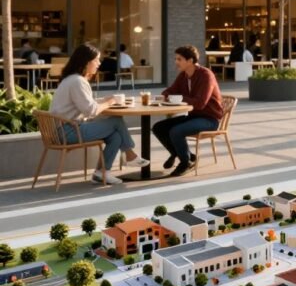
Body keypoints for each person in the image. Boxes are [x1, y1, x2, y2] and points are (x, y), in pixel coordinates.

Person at [49, 44, 150, 184]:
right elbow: (90, 111)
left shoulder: (72, 79)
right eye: (96, 60)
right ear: (86, 62)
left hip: (64, 129)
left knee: (115, 136)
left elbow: (85, 103)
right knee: (116, 121)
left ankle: (101, 173)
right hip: (68, 131)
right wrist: (110, 102)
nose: (99, 63)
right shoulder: (78, 81)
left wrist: (105, 100)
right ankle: (130, 154)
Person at [153, 45, 225, 177]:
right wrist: (165, 95)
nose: (176, 62)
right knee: (158, 127)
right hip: (193, 116)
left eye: (179, 59)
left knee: (176, 131)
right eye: (176, 59)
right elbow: (171, 90)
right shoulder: (183, 75)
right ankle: (181, 153)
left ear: (190, 61)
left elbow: (200, 103)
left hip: (209, 119)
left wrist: (178, 98)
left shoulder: (206, 75)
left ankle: (185, 162)